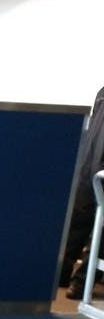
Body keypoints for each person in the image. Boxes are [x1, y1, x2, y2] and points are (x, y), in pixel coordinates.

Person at [62, 85, 104, 298]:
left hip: (91, 165)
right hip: (93, 166)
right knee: (85, 223)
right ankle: (72, 279)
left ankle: (73, 280)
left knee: (86, 226)